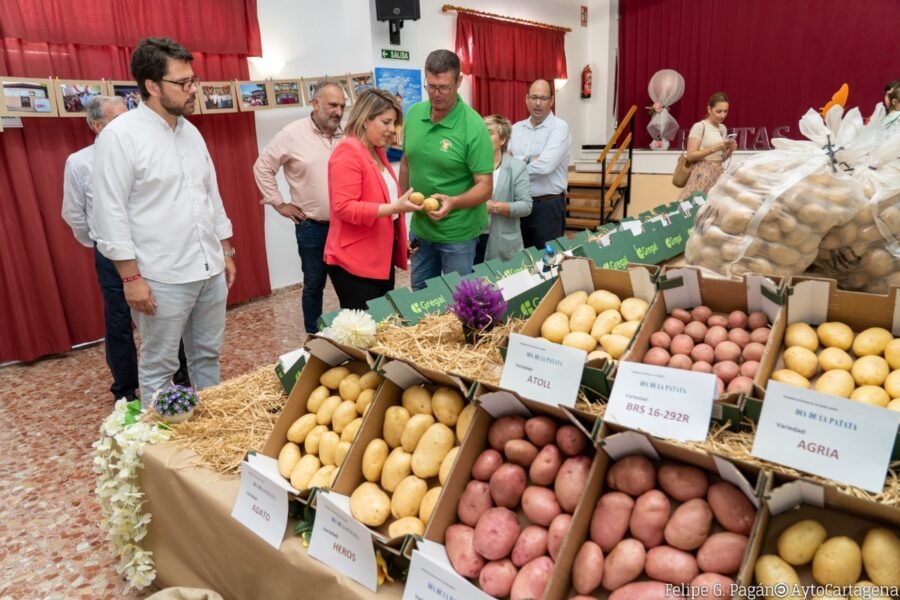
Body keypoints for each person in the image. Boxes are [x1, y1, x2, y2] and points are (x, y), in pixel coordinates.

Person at [92, 37, 235, 406]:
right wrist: (131, 278)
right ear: (152, 86)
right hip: (161, 276)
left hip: (208, 270)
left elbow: (210, 195)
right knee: (160, 366)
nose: (194, 91)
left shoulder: (192, 132)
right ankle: (164, 450)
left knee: (207, 357)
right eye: (183, 83)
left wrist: (225, 248)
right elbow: (109, 213)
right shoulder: (121, 136)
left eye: (194, 80)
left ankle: (211, 431)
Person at [62, 96, 191, 401]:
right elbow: (74, 213)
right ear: (97, 126)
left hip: (152, 246)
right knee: (119, 321)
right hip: (112, 255)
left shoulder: (146, 151)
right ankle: (126, 388)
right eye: (118, 118)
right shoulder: (79, 162)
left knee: (169, 310)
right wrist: (99, 242)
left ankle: (182, 373)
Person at [254, 81, 346, 332]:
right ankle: (314, 339)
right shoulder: (291, 134)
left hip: (347, 227)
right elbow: (262, 167)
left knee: (349, 285)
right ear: (315, 104)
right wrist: (278, 203)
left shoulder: (348, 133)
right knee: (314, 284)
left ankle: (352, 336)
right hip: (312, 227)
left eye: (342, 106)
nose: (338, 111)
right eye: (332, 105)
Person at [400, 49, 494, 291]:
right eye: (430, 86)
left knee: (456, 302)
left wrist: (453, 202)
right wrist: (402, 200)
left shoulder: (473, 126)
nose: (436, 94)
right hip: (421, 229)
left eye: (443, 87)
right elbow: (406, 161)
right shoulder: (413, 114)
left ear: (459, 82)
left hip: (458, 233)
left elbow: (485, 186)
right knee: (421, 297)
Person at [324, 89, 422, 308]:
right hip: (355, 261)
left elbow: (384, 202)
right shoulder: (348, 152)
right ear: (366, 119)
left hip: (380, 257)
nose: (391, 130)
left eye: (393, 123)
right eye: (386, 122)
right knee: (364, 331)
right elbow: (344, 207)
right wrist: (393, 208)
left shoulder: (376, 151)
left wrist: (399, 241)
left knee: (382, 325)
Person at [508, 79, 571, 251]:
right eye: (534, 97)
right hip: (518, 206)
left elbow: (545, 166)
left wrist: (517, 161)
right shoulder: (515, 129)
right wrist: (530, 158)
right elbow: (505, 162)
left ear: (551, 101)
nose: (538, 103)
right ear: (526, 99)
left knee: (547, 263)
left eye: (543, 98)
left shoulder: (560, 128)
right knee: (518, 263)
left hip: (547, 208)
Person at [475, 115, 532, 263]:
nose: (482, 136)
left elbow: (526, 206)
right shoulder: (469, 166)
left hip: (502, 240)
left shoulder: (516, 167)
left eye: (488, 132)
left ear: (502, 140)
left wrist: (493, 207)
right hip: (470, 238)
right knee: (470, 284)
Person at [677, 92, 737, 200]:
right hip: (702, 173)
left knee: (710, 211)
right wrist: (715, 148)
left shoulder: (722, 128)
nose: (722, 115)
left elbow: (720, 158)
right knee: (689, 208)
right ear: (709, 109)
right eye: (718, 111)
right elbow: (691, 155)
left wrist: (730, 150)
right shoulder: (700, 127)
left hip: (717, 173)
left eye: (725, 111)